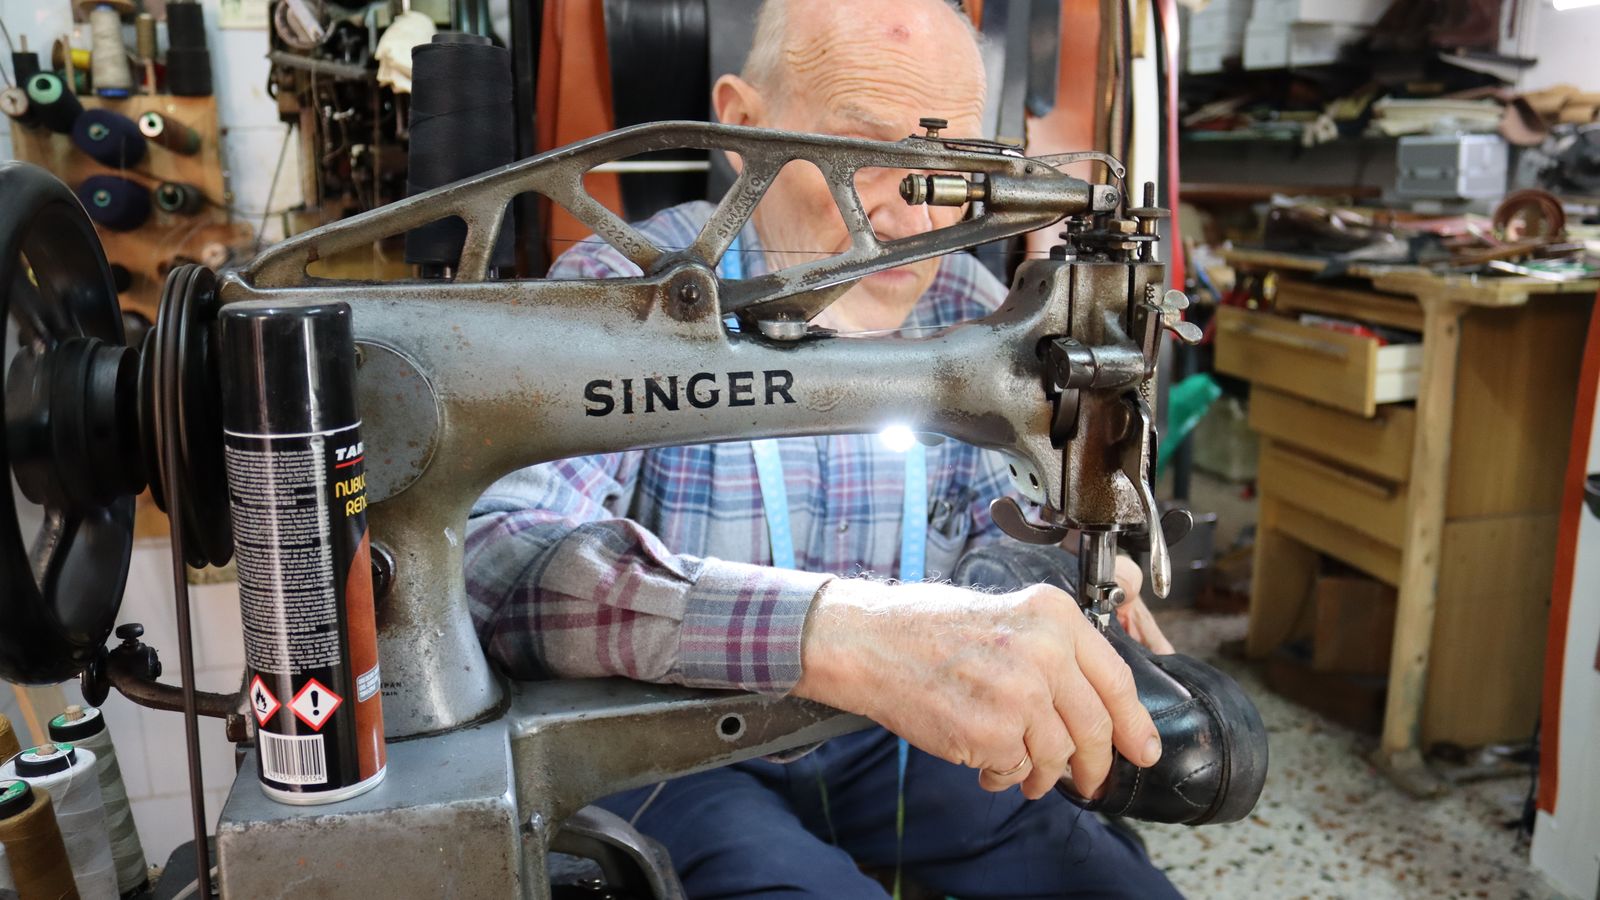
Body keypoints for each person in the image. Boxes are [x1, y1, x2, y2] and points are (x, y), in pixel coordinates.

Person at [466, 0, 1183, 895]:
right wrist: (831, 635)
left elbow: (997, 526)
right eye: (865, 159)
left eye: (946, 169)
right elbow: (499, 554)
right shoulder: (620, 296)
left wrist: (1040, 586)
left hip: (889, 738)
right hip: (677, 743)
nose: (914, 220)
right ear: (741, 125)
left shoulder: (974, 305)